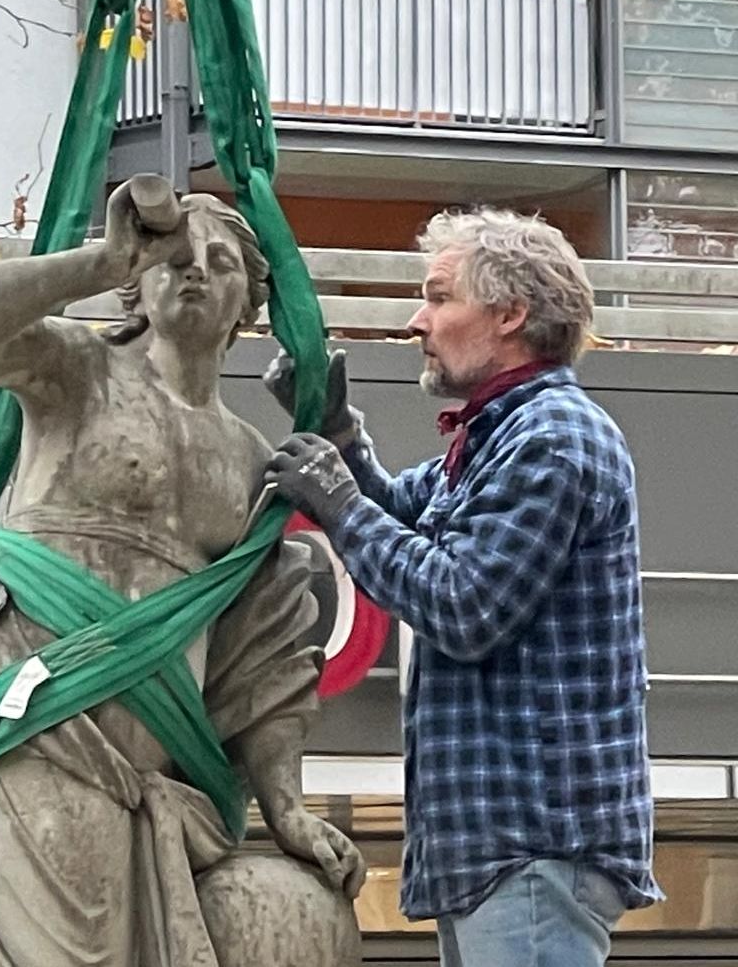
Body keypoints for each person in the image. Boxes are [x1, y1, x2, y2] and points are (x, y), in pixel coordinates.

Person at [0, 180, 365, 967]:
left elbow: (265, 649)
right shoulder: (80, 371)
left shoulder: (251, 456)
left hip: (153, 779)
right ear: (139, 284)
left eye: (219, 263)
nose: (194, 272)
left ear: (248, 299)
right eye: (173, 257)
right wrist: (97, 260)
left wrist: (284, 804)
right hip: (29, 729)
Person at [265, 208, 660, 967]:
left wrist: (336, 500)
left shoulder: (552, 439)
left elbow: (462, 604)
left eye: (440, 296)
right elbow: (395, 509)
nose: (419, 320)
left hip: (532, 844)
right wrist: (336, 431)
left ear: (511, 313)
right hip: (507, 848)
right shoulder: (498, 435)